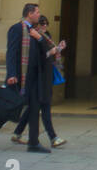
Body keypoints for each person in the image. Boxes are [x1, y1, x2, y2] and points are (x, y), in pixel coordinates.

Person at [0, 3, 50, 153]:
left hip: (34, 77)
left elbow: (46, 50)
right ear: (29, 14)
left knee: (34, 108)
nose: (39, 15)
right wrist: (11, 73)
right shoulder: (17, 29)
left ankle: (33, 143)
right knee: (10, 109)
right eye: (37, 12)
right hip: (19, 77)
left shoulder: (36, 31)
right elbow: (11, 52)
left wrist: (39, 39)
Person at [13, 18, 67, 148]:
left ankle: (18, 132)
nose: (44, 26)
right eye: (42, 24)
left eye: (46, 24)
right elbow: (39, 56)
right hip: (40, 78)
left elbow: (49, 54)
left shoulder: (45, 37)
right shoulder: (34, 37)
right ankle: (52, 137)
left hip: (45, 77)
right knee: (44, 106)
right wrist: (52, 50)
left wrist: (58, 49)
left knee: (34, 108)